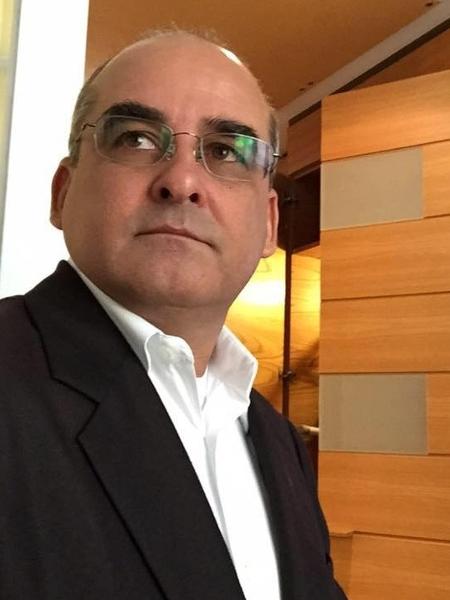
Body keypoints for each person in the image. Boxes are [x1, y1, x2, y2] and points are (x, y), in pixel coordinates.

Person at [0, 30, 346, 600]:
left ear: (269, 224)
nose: (182, 182)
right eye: (135, 139)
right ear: (63, 192)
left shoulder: (279, 442)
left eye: (227, 151)